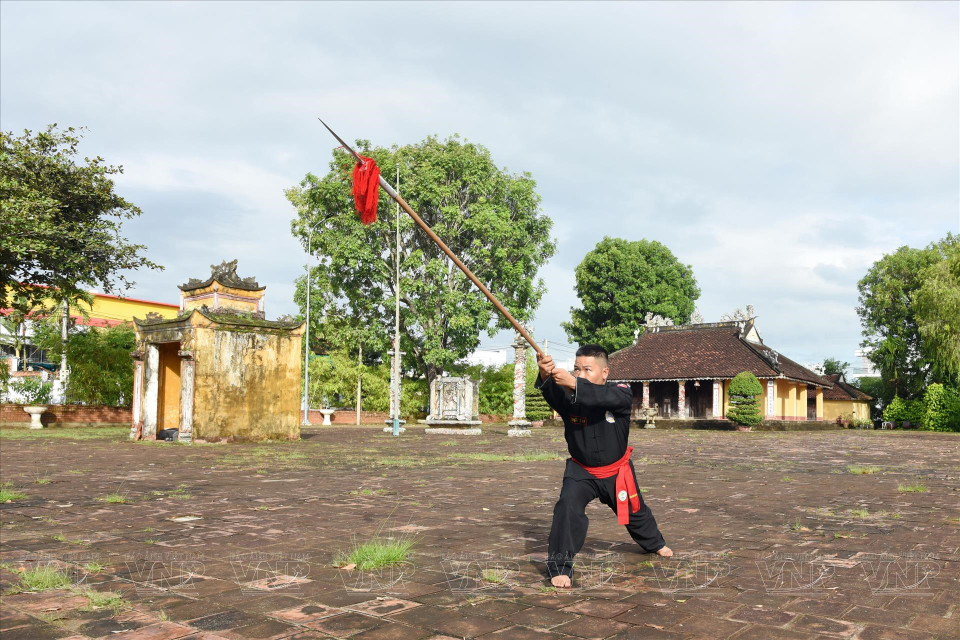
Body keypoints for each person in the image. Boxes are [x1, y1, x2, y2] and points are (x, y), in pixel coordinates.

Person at [537, 344, 672, 589]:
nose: (580, 374)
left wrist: (575, 383)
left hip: (616, 471)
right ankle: (560, 567)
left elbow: (603, 397)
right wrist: (546, 375)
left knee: (636, 511)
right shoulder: (570, 395)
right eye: (576, 369)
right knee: (567, 507)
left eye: (588, 369)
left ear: (605, 373)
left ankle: (655, 543)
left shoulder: (619, 392)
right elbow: (556, 397)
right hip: (581, 471)